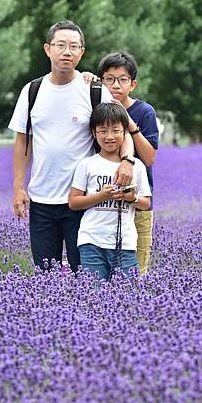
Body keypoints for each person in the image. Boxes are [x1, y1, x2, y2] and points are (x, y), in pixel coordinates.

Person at [8, 20, 135, 274]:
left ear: (82, 52)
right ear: (47, 49)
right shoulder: (32, 91)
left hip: (81, 200)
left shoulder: (94, 89)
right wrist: (18, 188)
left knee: (85, 275)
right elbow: (23, 141)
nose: (67, 51)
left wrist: (127, 161)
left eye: (73, 46)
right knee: (45, 274)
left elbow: (125, 131)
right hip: (42, 199)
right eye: (61, 45)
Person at [69, 103, 151, 281]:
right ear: (94, 133)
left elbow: (146, 203)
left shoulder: (136, 167)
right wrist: (102, 196)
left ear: (124, 133)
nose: (109, 137)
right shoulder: (87, 164)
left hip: (125, 243)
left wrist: (132, 198)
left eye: (115, 130)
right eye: (103, 131)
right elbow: (73, 202)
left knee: (128, 295)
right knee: (93, 296)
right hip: (91, 241)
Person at [96, 52, 159, 275]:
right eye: (110, 79)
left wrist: (129, 122)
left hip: (138, 204)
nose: (116, 85)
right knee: (98, 270)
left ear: (132, 84)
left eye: (122, 79)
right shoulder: (96, 108)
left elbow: (149, 157)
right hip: (101, 205)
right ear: (100, 81)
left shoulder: (144, 112)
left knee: (136, 271)